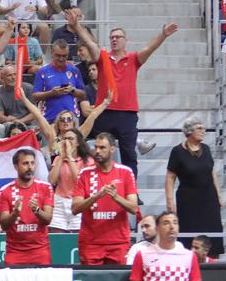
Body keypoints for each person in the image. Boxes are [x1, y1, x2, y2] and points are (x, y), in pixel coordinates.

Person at [71, 11, 177, 177]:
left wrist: (163, 35)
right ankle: (99, 184)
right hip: (104, 112)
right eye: (112, 37)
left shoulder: (133, 58)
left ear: (125, 40)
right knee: (100, 152)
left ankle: (132, 192)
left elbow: (150, 48)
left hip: (127, 113)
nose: (114, 39)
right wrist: (77, 27)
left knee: (129, 155)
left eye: (118, 36)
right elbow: (90, 43)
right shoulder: (102, 57)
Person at [72, 133, 138, 265]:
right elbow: (75, 208)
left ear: (112, 149)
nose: (97, 151)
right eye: (95, 147)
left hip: (118, 242)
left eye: (102, 148)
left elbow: (133, 208)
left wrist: (115, 197)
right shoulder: (84, 174)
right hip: (91, 243)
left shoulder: (125, 172)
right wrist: (96, 196)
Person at [165, 117, 225, 258]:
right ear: (189, 131)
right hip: (188, 201)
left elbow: (212, 173)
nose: (203, 131)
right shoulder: (177, 151)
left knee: (212, 236)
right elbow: (170, 177)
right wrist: (170, 202)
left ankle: (212, 266)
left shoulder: (206, 149)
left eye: (203, 128)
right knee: (189, 237)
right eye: (199, 128)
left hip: (209, 199)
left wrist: (219, 196)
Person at [0, 149, 54, 265]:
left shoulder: (45, 187)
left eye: (32, 163)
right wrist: (14, 214)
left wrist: (36, 210)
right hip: (15, 252)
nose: (30, 167)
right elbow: (4, 224)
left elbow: (48, 219)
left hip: (40, 251)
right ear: (15, 166)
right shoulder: (5, 191)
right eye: (25, 163)